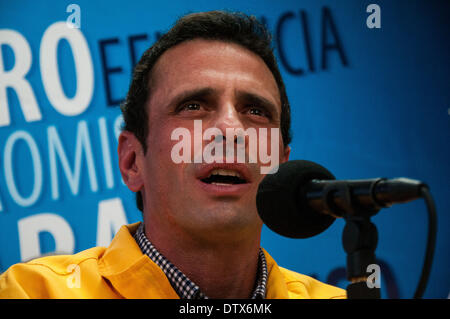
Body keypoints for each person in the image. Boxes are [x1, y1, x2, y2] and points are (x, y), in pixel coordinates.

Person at [0, 11, 345, 299]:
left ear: (281, 169)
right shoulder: (31, 292)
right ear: (132, 161)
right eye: (193, 106)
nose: (230, 129)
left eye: (255, 111)